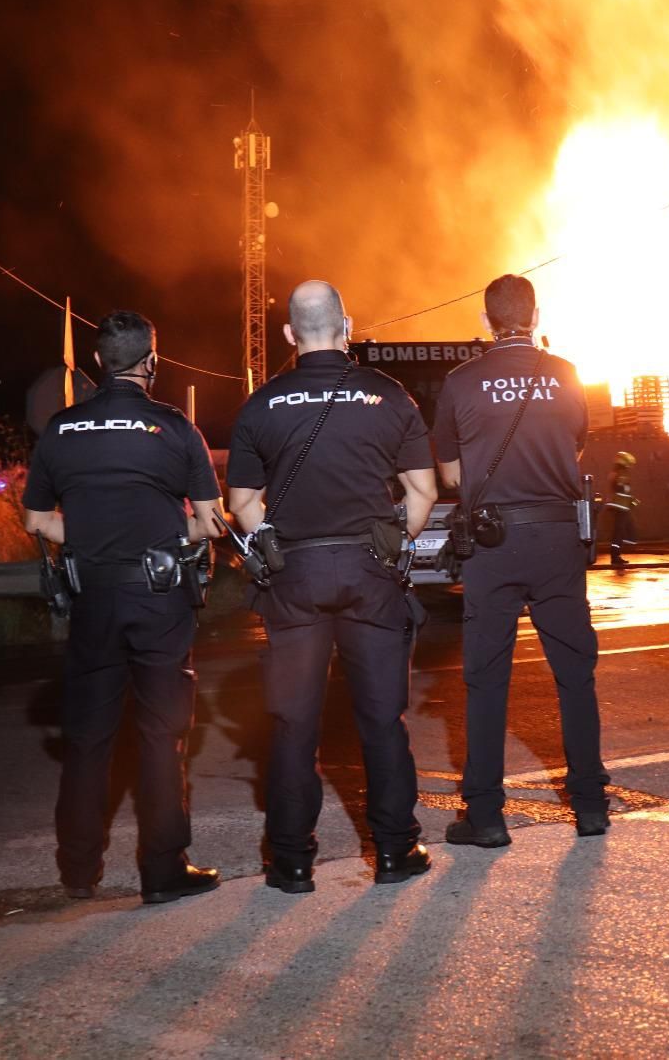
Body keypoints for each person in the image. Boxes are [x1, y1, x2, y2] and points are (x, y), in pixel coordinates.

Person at [227, 280, 436, 893]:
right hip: (372, 576)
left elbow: (241, 501)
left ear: (290, 334)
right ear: (348, 325)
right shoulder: (388, 395)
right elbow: (422, 491)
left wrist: (269, 539)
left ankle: (291, 862)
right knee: (383, 719)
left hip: (294, 579)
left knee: (294, 723)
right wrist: (390, 543)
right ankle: (395, 853)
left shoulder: (260, 405)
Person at [22, 310, 224, 905]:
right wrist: (168, 534)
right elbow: (209, 522)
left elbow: (36, 520)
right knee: (163, 734)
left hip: (93, 597)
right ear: (151, 362)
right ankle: (163, 872)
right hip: (159, 597)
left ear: (98, 364)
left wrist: (86, 536)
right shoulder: (173, 427)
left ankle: (78, 871)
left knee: (87, 737)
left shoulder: (61, 429)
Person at [433, 274, 610, 847]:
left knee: (486, 680)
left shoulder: (460, 383)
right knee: (575, 674)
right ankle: (590, 807)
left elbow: (451, 475)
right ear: (536, 317)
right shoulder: (566, 374)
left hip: (492, 542)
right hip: (558, 539)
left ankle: (485, 817)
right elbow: (575, 442)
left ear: (485, 321)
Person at [605, 451, 640, 567]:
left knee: (622, 531)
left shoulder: (616, 472)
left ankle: (617, 554)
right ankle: (615, 556)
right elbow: (624, 490)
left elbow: (623, 491)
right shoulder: (622, 473)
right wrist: (633, 502)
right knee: (619, 532)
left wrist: (633, 502)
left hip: (621, 507)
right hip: (621, 507)